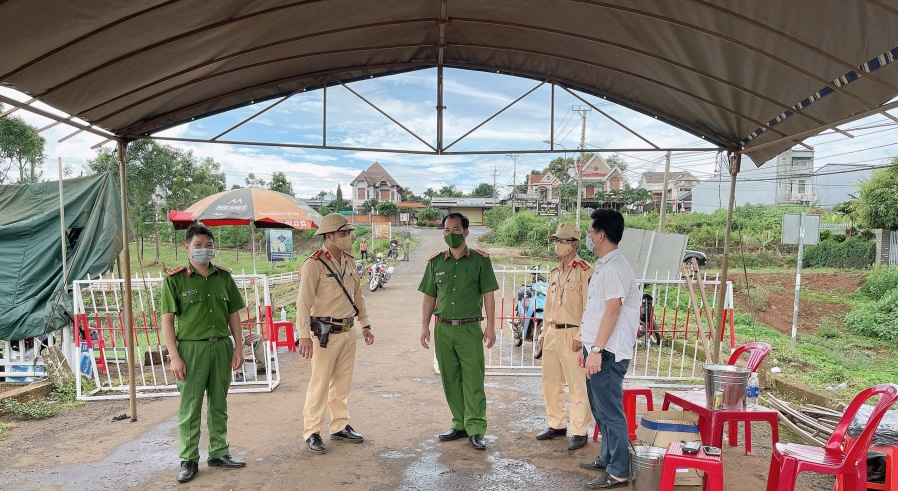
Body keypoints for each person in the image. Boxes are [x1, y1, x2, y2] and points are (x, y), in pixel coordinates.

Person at [160, 224, 247, 484]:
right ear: (186, 247)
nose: (204, 249)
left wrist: (239, 347)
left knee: (219, 403)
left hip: (221, 346)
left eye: (209, 245)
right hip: (191, 349)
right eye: (198, 245)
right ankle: (188, 459)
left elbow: (233, 315)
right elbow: (167, 321)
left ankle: (219, 452)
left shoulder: (224, 278)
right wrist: (175, 356)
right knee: (190, 406)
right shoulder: (174, 280)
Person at [418, 212, 498, 450]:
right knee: (450, 379)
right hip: (443, 328)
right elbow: (429, 296)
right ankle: (460, 423)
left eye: (455, 229)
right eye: (447, 229)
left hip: (469, 329)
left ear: (466, 232)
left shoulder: (480, 261)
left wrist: (490, 326)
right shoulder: (435, 262)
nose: (451, 233)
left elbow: (489, 295)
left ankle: (476, 427)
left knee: (473, 380)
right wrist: (424, 326)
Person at [296, 213, 374, 455]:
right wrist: (303, 334)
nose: (348, 237)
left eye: (348, 233)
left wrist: (365, 324)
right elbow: (303, 302)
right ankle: (312, 431)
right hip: (324, 333)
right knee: (320, 383)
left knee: (342, 383)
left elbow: (358, 295)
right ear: (329, 236)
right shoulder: (314, 264)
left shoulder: (349, 261)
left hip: (348, 331)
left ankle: (340, 425)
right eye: (343, 233)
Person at [578, 209, 640, 489]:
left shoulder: (614, 268)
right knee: (600, 408)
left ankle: (619, 471)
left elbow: (612, 311)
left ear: (601, 235)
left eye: (590, 232)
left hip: (607, 352)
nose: (588, 237)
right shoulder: (606, 265)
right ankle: (607, 457)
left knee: (610, 411)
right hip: (597, 349)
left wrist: (596, 350)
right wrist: (587, 345)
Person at [536, 222, 594, 450]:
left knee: (577, 384)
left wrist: (581, 335)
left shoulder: (585, 271)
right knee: (550, 382)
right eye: (556, 240)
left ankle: (579, 431)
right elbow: (548, 307)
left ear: (575, 244)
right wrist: (543, 332)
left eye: (563, 240)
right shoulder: (554, 273)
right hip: (552, 331)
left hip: (573, 333)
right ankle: (556, 424)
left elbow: (590, 307)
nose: (559, 245)